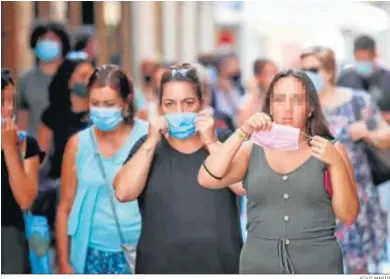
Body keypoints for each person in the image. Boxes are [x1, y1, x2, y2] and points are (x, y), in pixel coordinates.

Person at [198, 69, 359, 274]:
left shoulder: (330, 150)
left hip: (319, 265)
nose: (288, 108)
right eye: (280, 100)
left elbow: (349, 215)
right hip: (258, 265)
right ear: (270, 106)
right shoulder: (251, 149)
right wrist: (243, 131)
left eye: (297, 100)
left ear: (310, 108)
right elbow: (208, 177)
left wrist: (335, 163)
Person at [114, 64, 243, 274]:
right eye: (170, 104)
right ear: (160, 107)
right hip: (160, 266)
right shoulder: (146, 147)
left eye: (188, 103)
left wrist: (210, 141)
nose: (179, 112)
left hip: (220, 266)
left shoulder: (224, 141)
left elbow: (244, 186)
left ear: (202, 103)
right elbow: (123, 192)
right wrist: (151, 140)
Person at [300, 46, 390, 273]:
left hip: (354, 190)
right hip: (314, 195)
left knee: (358, 263)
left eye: (312, 69)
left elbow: (386, 137)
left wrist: (368, 133)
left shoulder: (358, 101)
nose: (307, 75)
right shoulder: (299, 106)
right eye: (303, 70)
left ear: (329, 71)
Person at [56, 65, 148, 274]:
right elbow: (64, 207)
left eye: (109, 104)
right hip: (91, 253)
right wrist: (63, 262)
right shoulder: (78, 144)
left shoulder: (147, 137)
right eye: (95, 103)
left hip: (140, 251)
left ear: (126, 101)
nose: (101, 110)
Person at [1, 69, 42, 273]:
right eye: (1, 102)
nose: (8, 110)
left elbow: (26, 199)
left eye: (11, 102)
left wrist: (9, 150)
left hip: (11, 239)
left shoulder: (26, 143)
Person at [37, 52, 94, 194]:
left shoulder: (100, 113)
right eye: (83, 76)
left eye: (92, 76)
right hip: (60, 185)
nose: (88, 81)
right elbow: (41, 156)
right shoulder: (53, 115)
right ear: (69, 81)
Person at [17, 21, 71, 137]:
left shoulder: (74, 77)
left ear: (63, 44)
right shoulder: (26, 80)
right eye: (42, 39)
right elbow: (22, 117)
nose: (47, 43)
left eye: (52, 39)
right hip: (36, 148)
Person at [337, 35, 390, 122]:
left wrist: (376, 118)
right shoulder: (345, 78)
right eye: (360, 59)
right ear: (354, 55)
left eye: (366, 59)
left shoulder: (387, 78)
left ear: (375, 54)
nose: (363, 62)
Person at [238, 59, 278, 126]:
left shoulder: (280, 96)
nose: (275, 76)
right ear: (258, 77)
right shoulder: (248, 99)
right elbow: (243, 123)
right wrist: (254, 92)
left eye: (276, 72)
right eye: (270, 73)